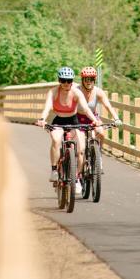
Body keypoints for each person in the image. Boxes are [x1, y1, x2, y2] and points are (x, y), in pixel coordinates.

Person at [36, 66, 101, 195]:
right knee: (56, 140)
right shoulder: (53, 92)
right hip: (58, 120)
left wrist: (95, 120)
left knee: (81, 149)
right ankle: (54, 170)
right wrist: (42, 119)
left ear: (72, 81)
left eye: (69, 81)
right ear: (59, 80)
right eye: (63, 80)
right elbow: (47, 107)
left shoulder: (76, 92)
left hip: (73, 121)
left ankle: (76, 178)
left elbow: (86, 109)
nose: (66, 84)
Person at [75, 67, 123, 156]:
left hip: (93, 118)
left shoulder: (98, 92)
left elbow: (108, 106)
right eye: (86, 79)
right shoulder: (77, 90)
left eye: (91, 79)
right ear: (82, 80)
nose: (89, 81)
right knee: (80, 146)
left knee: (101, 133)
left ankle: (98, 153)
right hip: (78, 118)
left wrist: (116, 119)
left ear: (94, 80)